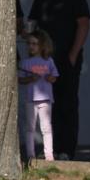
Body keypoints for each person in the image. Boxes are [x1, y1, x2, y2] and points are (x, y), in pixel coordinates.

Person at [28, 0, 90, 160]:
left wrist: (73, 55)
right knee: (46, 105)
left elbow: (83, 25)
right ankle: (50, 150)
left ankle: (66, 150)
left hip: (66, 60)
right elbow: (32, 26)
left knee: (67, 104)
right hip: (44, 62)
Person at [18, 30, 59, 161]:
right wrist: (30, 78)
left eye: (35, 44)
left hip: (46, 99)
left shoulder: (48, 61)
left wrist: (49, 78)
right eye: (29, 44)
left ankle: (49, 155)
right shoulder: (25, 63)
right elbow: (20, 79)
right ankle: (31, 155)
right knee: (30, 127)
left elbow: (55, 77)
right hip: (30, 99)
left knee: (46, 127)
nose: (31, 46)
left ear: (42, 45)